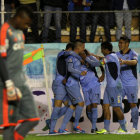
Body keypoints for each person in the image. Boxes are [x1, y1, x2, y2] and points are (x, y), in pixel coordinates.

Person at [0, 6, 39, 140]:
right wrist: (8, 83)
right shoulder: (4, 30)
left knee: (33, 118)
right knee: (9, 124)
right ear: (18, 17)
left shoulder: (20, 33)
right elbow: (1, 58)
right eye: (26, 23)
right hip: (7, 84)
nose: (26, 26)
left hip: (21, 82)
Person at [49, 42, 83, 134]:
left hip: (65, 84)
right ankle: (51, 129)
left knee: (71, 106)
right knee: (57, 106)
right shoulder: (61, 53)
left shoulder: (68, 58)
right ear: (69, 49)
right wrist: (80, 58)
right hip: (59, 83)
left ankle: (60, 127)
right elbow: (71, 53)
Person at [96, 42, 127, 134]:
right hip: (109, 86)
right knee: (105, 106)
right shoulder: (110, 57)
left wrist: (88, 59)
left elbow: (99, 62)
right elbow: (102, 59)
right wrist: (93, 56)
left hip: (115, 86)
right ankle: (106, 129)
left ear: (106, 49)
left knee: (116, 107)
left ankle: (124, 128)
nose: (101, 51)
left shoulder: (111, 56)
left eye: (102, 49)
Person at [58, 39, 86, 133]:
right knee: (81, 103)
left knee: (72, 106)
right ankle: (76, 125)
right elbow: (70, 69)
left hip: (74, 82)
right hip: (71, 83)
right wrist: (80, 72)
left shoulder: (76, 57)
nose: (84, 48)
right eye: (82, 47)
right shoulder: (71, 57)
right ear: (78, 47)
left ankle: (62, 128)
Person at [116, 36, 139, 133]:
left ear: (127, 44)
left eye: (121, 43)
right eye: (119, 42)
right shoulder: (117, 54)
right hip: (120, 84)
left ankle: (135, 128)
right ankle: (123, 123)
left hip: (131, 83)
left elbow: (134, 62)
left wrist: (124, 61)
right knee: (117, 104)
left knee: (133, 104)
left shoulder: (133, 53)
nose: (119, 44)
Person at [79, 50, 105, 133]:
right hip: (84, 86)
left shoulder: (90, 58)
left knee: (94, 105)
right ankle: (94, 125)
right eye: (80, 54)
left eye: (83, 53)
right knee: (89, 108)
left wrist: (103, 74)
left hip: (94, 83)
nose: (81, 54)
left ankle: (93, 128)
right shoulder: (76, 60)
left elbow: (99, 64)